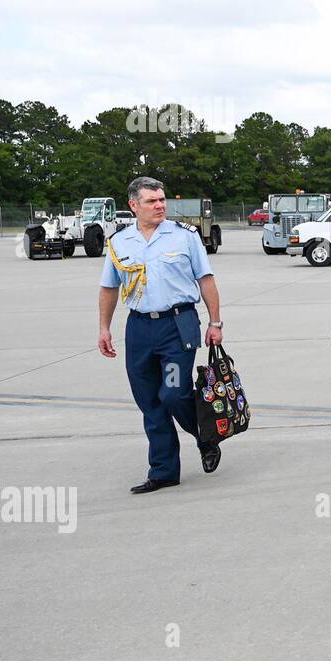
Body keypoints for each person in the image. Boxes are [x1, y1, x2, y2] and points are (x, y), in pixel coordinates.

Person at [98, 177, 225, 494]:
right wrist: (104, 327)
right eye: (151, 201)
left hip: (177, 325)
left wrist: (215, 322)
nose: (159, 205)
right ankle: (164, 470)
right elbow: (109, 286)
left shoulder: (185, 236)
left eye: (162, 200)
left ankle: (204, 436)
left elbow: (205, 279)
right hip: (139, 328)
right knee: (149, 402)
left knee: (171, 393)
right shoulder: (120, 242)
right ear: (133, 205)